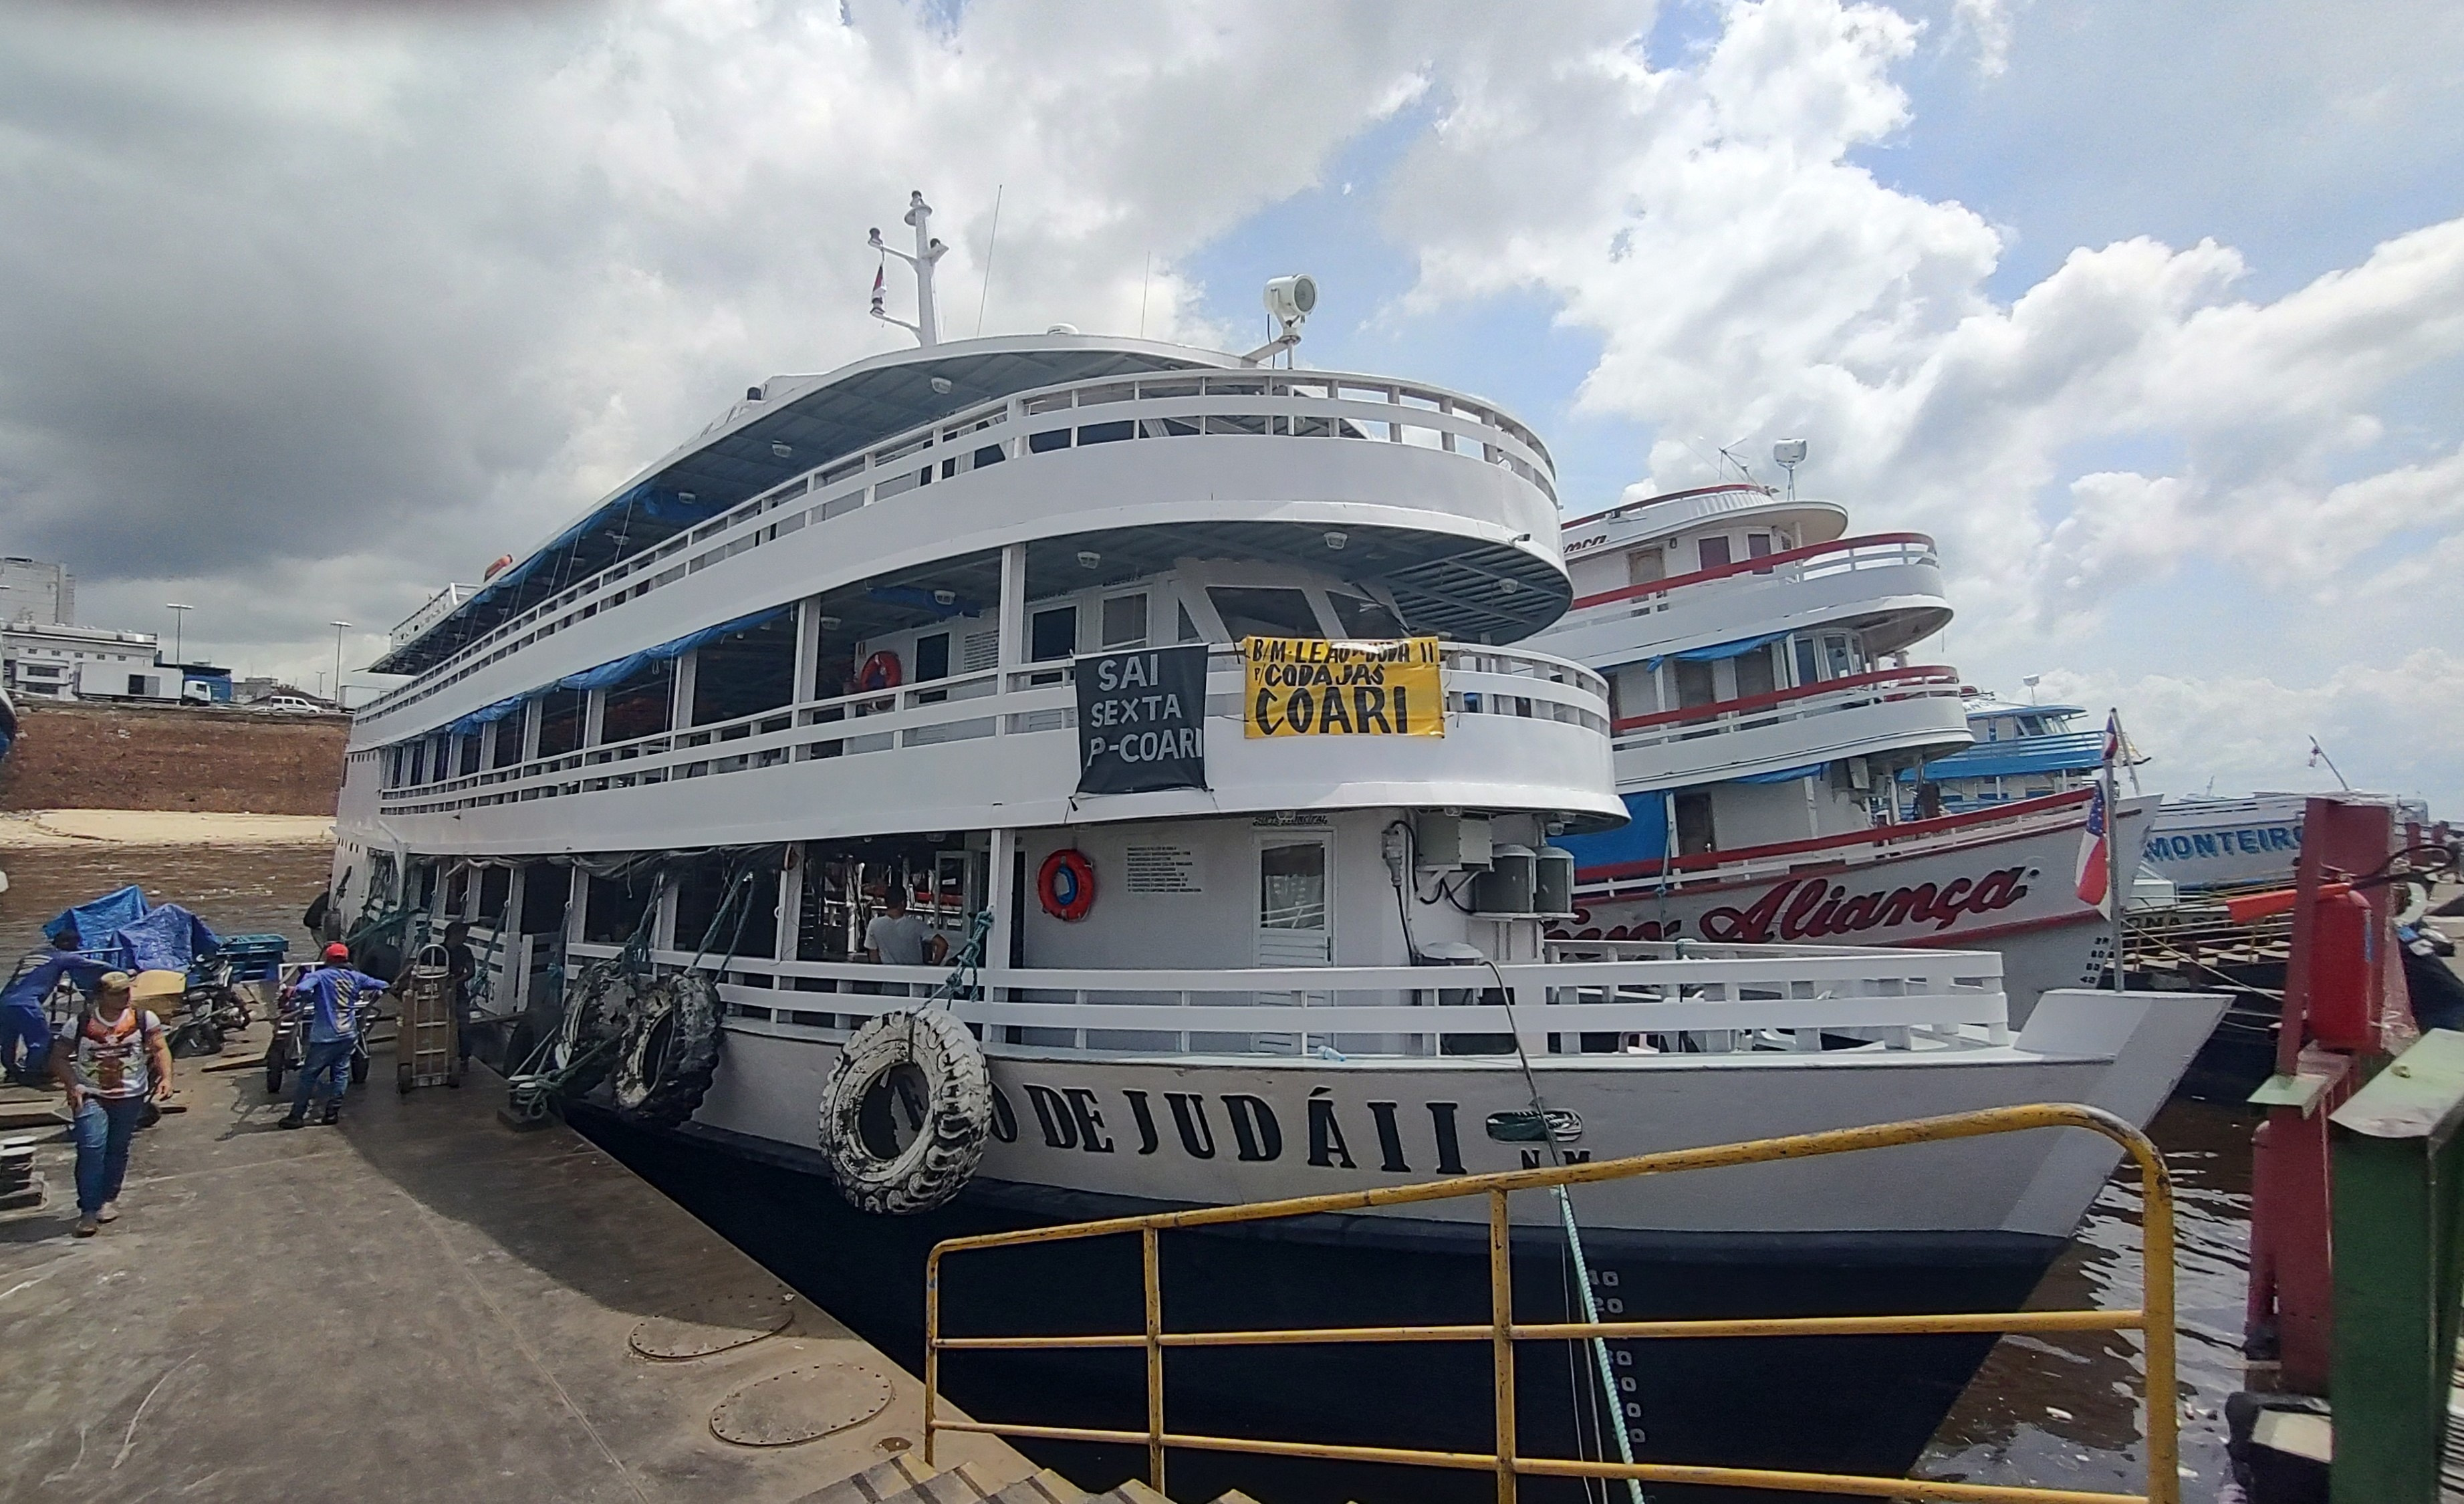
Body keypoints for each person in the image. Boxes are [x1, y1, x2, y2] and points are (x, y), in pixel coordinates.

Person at [49, 971, 172, 1236]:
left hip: (130, 1095)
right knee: (91, 1146)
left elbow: (159, 1048)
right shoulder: (80, 1023)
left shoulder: (143, 1019)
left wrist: (166, 1078)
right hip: (91, 1093)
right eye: (116, 993)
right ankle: (89, 1210)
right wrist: (72, 1085)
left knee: (118, 1148)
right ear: (101, 996)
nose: (124, 997)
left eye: (127, 992)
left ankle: (108, 1199)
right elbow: (58, 1057)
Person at [282, 943, 387, 1128]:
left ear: (328, 959)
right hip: (348, 1034)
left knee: (309, 1075)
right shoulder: (356, 977)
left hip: (325, 1036)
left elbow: (304, 988)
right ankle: (332, 1113)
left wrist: (298, 992)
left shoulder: (320, 976)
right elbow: (382, 985)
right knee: (340, 1073)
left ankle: (297, 1116)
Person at [1, 931, 104, 1087]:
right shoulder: (63, 956)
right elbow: (96, 966)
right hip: (27, 1003)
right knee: (41, 1040)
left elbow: (34, 977)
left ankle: (12, 1071)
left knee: (9, 1039)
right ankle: (33, 1073)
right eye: (75, 945)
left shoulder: (34, 955)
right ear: (66, 944)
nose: (76, 948)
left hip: (4, 1000)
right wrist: (124, 972)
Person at [862, 885, 947, 995]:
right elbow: (942, 944)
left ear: (886, 902)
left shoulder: (874, 925)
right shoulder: (917, 926)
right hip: (916, 981)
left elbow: (874, 958)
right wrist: (933, 967)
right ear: (903, 903)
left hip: (890, 983)